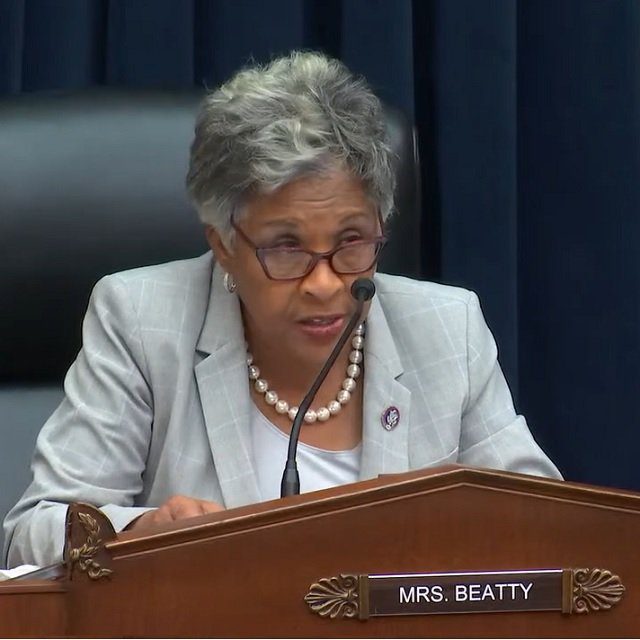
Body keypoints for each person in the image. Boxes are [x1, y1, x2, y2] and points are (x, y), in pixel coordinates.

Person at [3, 51, 561, 568]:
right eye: (286, 248)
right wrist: (141, 533)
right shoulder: (142, 321)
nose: (324, 284)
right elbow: (34, 531)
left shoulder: (447, 327)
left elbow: (547, 524)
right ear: (223, 243)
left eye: (351, 241)